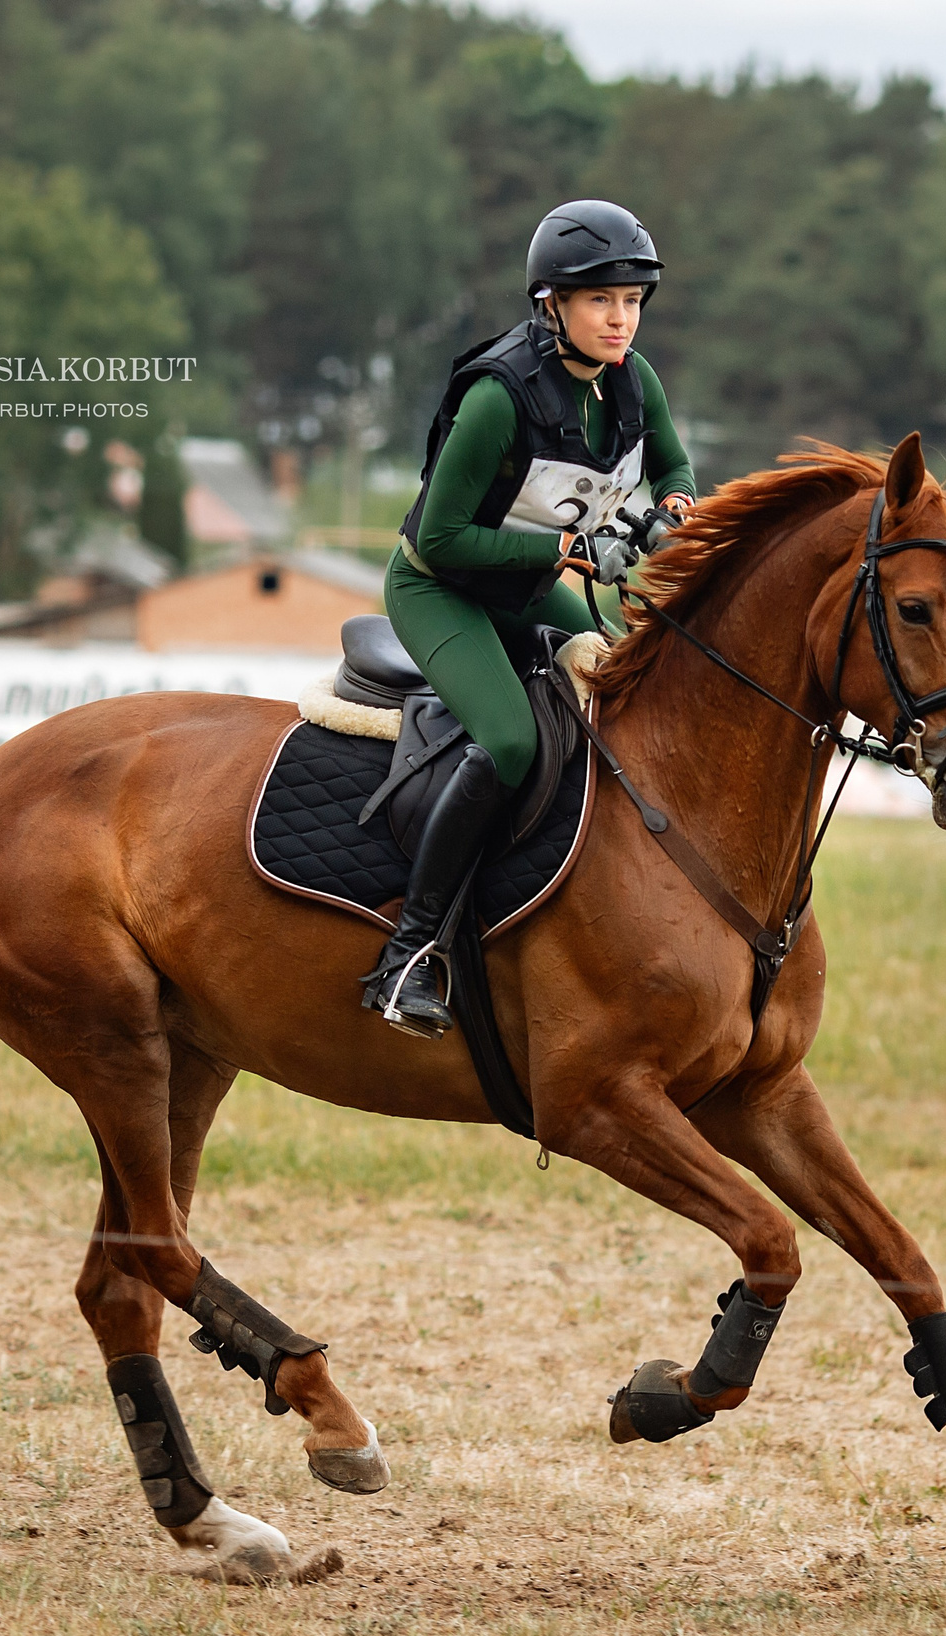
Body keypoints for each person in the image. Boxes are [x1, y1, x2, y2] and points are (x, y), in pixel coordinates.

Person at [362, 199, 698, 1038]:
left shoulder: (631, 376)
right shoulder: (498, 397)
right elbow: (439, 540)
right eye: (601, 301)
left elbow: (672, 457)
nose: (621, 319)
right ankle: (408, 955)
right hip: (439, 588)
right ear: (552, 305)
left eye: (632, 300)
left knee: (627, 690)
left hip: (525, 578)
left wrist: (678, 501)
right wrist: (561, 557)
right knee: (511, 740)